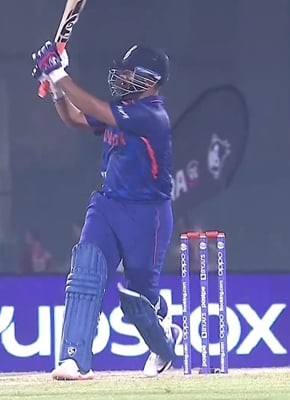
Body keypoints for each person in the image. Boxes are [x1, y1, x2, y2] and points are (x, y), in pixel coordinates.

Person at [32, 42, 180, 380]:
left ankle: (164, 340)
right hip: (108, 204)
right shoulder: (123, 108)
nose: (122, 76)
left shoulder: (151, 115)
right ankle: (74, 359)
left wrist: (58, 72)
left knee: (136, 299)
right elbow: (73, 117)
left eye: (130, 71)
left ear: (150, 79)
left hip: (148, 215)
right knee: (85, 271)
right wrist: (56, 89)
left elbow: (95, 108)